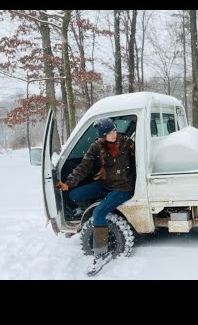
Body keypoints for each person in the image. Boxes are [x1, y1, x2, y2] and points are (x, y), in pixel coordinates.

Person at [56, 117, 136, 276]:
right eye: (108, 133)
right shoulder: (97, 147)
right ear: (102, 135)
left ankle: (101, 253)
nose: (113, 134)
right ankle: (100, 210)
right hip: (106, 185)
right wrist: (69, 182)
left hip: (123, 187)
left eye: (113, 130)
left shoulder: (126, 142)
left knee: (98, 213)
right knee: (74, 194)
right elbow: (84, 166)